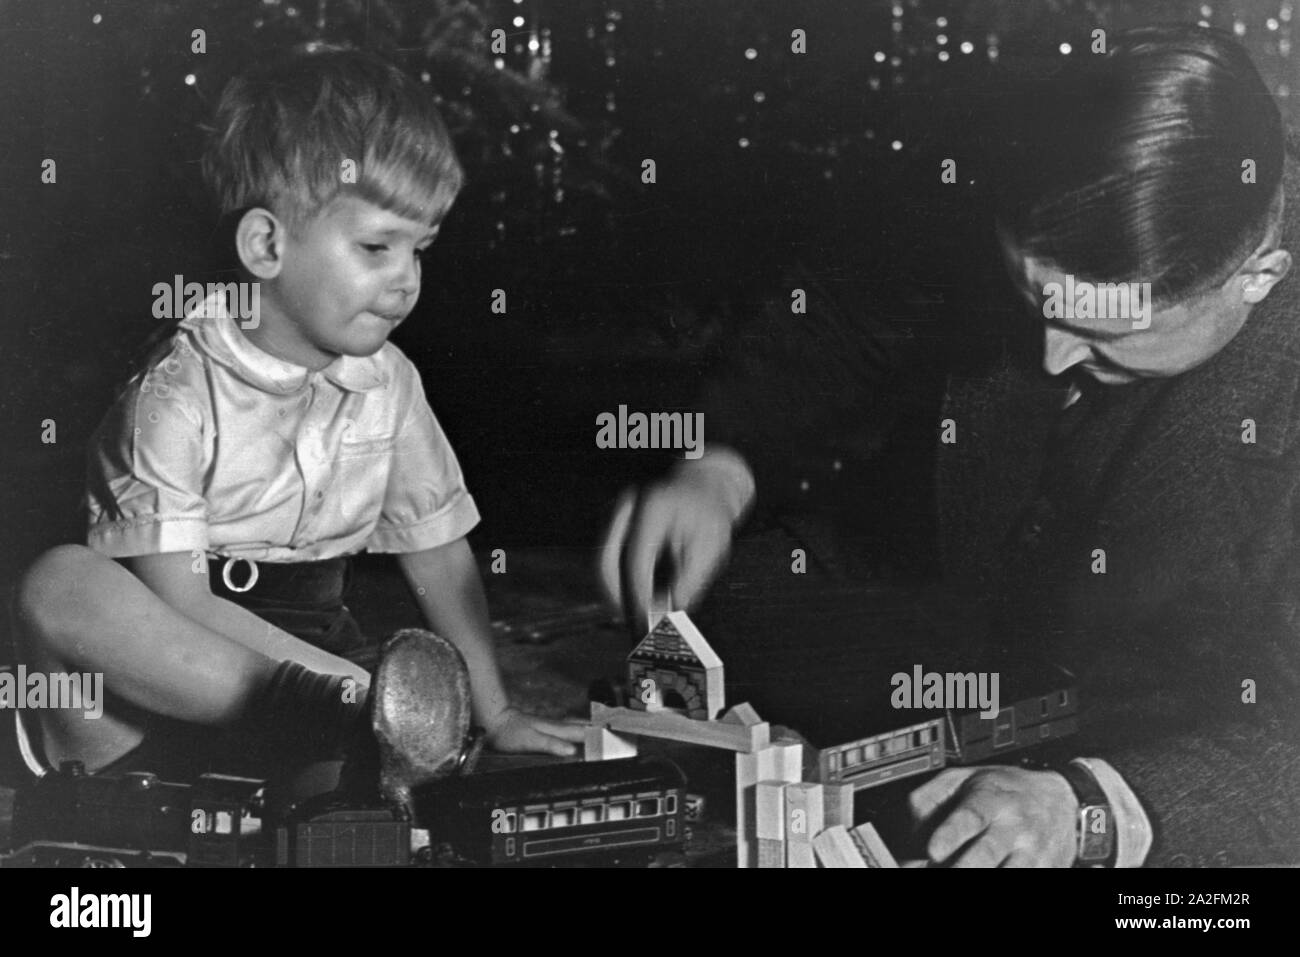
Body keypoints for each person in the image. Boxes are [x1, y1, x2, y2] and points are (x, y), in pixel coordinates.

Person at [600, 26, 1300, 866]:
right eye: (1033, 300)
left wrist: (1091, 808)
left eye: (1104, 332)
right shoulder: (1031, 177)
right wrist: (722, 463)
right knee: (695, 636)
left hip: (1184, 710)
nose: (1048, 358)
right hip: (968, 606)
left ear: (1257, 278)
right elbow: (848, 314)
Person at [8, 44, 583, 787]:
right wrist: (357, 695)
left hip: (320, 669)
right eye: (377, 246)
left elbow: (437, 551)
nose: (405, 280)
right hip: (164, 687)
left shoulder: (390, 382)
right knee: (59, 582)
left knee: (346, 804)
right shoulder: (176, 393)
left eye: (422, 248)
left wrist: (496, 711)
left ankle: (343, 743)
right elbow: (181, 602)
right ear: (266, 245)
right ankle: (333, 726)